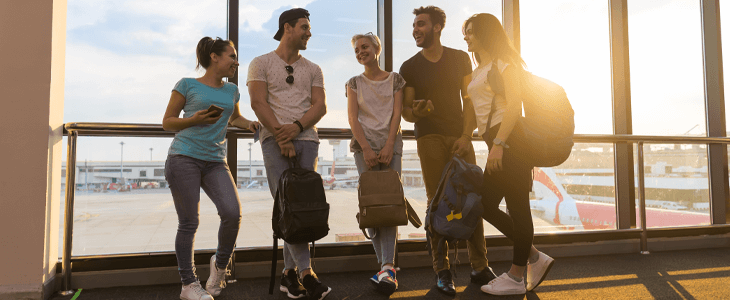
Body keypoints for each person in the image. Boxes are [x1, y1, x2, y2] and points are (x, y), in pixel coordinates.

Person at [398, 5, 496, 296]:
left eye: (421, 24)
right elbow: (407, 111)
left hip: (459, 137)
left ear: (437, 27)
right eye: (414, 25)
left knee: (471, 198)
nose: (416, 29)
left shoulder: (459, 58)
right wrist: (416, 110)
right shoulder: (409, 66)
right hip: (428, 137)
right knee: (437, 202)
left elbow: (469, 101)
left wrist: (467, 135)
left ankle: (479, 266)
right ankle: (442, 271)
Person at [462, 13, 555, 296]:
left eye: (471, 32)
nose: (466, 36)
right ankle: (534, 257)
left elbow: (515, 105)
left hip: (510, 142)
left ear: (486, 34)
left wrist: (500, 143)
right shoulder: (480, 69)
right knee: (486, 205)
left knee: (516, 208)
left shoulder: (506, 64)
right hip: (497, 143)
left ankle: (517, 276)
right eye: (464, 32)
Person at [162, 36, 260, 300]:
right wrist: (192, 119)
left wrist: (249, 123)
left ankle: (218, 269)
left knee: (232, 213)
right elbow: (167, 122)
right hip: (184, 157)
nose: (236, 62)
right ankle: (188, 284)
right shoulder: (186, 85)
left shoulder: (231, 90)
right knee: (189, 222)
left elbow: (235, 117)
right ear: (214, 57)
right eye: (232, 56)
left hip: (216, 160)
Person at [247, 8, 331, 300]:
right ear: (287, 28)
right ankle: (307, 274)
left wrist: (295, 129)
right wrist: (280, 135)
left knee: (301, 208)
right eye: (304, 27)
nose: (309, 32)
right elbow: (258, 102)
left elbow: (319, 107)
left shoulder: (314, 68)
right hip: (273, 140)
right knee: (288, 205)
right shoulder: (260, 63)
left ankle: (288, 274)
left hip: (306, 139)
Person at [346, 32, 405, 296]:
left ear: (377, 49)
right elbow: (353, 119)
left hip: (392, 146)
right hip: (364, 149)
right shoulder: (354, 83)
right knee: (372, 207)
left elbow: (396, 115)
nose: (361, 52)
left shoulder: (396, 80)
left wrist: (389, 145)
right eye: (357, 49)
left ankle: (387, 267)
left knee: (390, 206)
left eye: (365, 47)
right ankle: (386, 267)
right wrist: (367, 148)